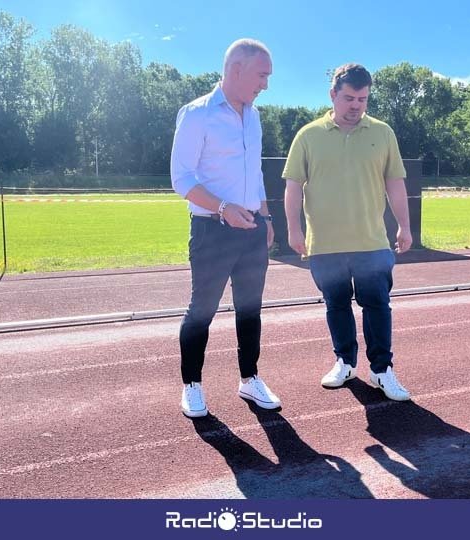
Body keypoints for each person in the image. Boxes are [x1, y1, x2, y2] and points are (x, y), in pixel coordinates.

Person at [282, 63, 412, 401]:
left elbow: (395, 183)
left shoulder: (383, 133)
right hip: (325, 244)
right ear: (333, 95)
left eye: (363, 98)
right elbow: (293, 186)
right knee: (336, 305)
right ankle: (345, 362)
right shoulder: (308, 135)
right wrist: (294, 230)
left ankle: (382, 369)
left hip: (371, 241)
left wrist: (405, 225)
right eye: (350, 98)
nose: (356, 105)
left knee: (378, 306)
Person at [170, 38, 281, 418]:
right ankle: (192, 386)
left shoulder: (254, 116)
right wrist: (223, 208)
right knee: (202, 309)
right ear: (236, 68)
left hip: (251, 229)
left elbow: (256, 174)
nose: (265, 84)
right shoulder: (197, 114)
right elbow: (181, 178)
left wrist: (264, 217)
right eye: (262, 75)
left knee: (250, 309)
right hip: (212, 229)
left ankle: (249, 379)